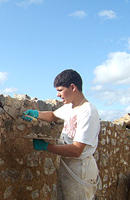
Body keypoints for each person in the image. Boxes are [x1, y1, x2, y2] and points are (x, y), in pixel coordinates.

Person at [22, 69, 100, 200]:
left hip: (81, 170)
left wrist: (47, 147)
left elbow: (76, 150)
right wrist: (36, 114)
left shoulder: (88, 112)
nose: (58, 95)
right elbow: (53, 115)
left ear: (73, 87)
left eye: (60, 90)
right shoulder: (71, 107)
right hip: (69, 166)